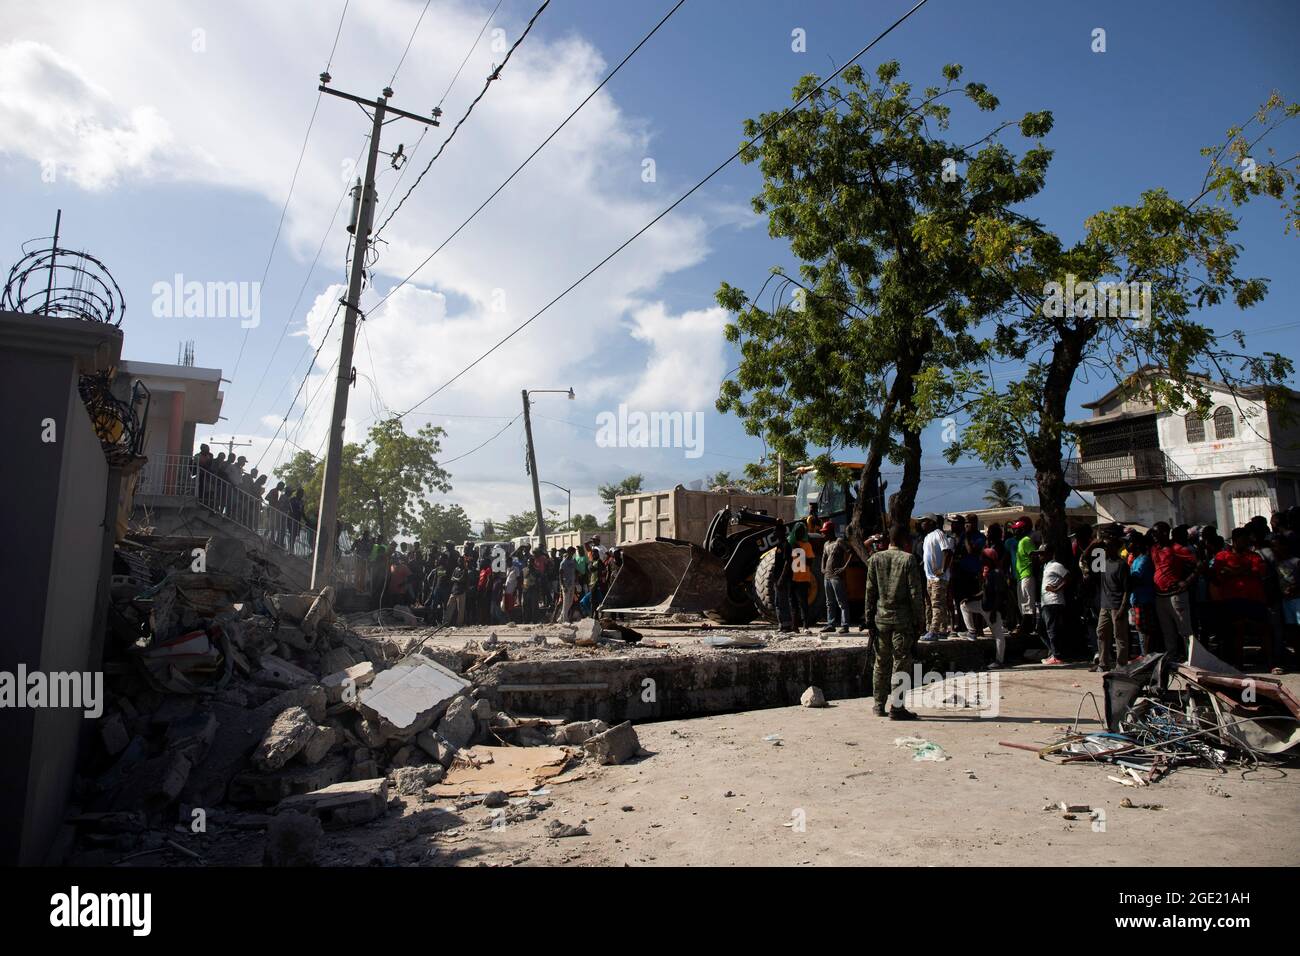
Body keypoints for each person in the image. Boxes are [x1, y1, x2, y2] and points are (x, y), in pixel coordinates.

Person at [865, 525, 925, 720]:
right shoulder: (908, 559)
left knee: (881, 662)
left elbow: (870, 593)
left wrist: (868, 620)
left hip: (880, 620)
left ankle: (878, 704)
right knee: (900, 663)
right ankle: (897, 707)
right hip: (902, 621)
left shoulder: (875, 559)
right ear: (905, 540)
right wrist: (920, 621)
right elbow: (916, 594)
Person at [1212, 528, 1271, 671]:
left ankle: (1270, 663)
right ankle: (1239, 664)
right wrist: (1244, 570)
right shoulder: (1222, 556)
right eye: (1243, 539)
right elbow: (1220, 574)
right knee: (1237, 631)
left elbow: (1259, 572)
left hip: (1254, 597)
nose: (1246, 542)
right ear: (1235, 540)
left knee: (1263, 630)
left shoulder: (1254, 556)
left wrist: (1233, 571)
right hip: (1232, 598)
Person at [1151, 522, 1197, 663]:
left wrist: (1187, 581)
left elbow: (1199, 564)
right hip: (1160, 595)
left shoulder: (1176, 549)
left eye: (1156, 533)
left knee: (1185, 631)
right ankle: (1171, 658)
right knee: (1168, 631)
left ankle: (1192, 659)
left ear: (1165, 533)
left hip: (1175, 595)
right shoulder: (1154, 549)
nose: (1154, 536)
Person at [1094, 530, 1131, 670]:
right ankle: (1103, 663)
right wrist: (1094, 544)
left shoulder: (1121, 565)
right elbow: (1085, 561)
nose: (1105, 549)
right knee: (1101, 632)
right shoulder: (1102, 563)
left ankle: (1121, 665)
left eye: (1108, 546)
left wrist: (1122, 608)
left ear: (1115, 547)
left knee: (1119, 636)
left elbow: (1127, 590)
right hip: (1105, 605)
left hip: (1117, 606)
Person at [920, 515, 953, 641]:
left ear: (932, 522)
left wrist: (943, 569)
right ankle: (942, 630)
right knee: (934, 604)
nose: (922, 523)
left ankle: (933, 631)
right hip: (930, 577)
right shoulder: (928, 536)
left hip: (938, 578)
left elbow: (947, 551)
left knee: (936, 605)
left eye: (925, 521)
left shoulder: (938, 533)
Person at [1126, 531, 1158, 656]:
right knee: (1140, 629)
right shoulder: (1136, 559)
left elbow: (1136, 579)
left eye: (1130, 542)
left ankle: (1146, 656)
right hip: (1137, 599)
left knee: (1144, 630)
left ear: (1138, 544)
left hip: (1144, 600)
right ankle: (1144, 655)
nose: (1128, 544)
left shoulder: (1144, 560)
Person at [1039, 543, 1070, 665]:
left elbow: (1068, 577)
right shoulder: (1046, 566)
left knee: (1052, 629)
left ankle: (1057, 656)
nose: (1040, 556)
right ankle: (1054, 652)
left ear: (1049, 554)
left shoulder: (1056, 565)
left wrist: (1056, 589)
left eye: (1042, 554)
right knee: (1041, 629)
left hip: (1053, 602)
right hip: (1046, 603)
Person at [820, 520, 851, 633]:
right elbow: (824, 557)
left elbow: (851, 552)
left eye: (825, 532)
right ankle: (830, 624)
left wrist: (844, 568)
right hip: (827, 577)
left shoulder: (839, 541)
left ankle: (845, 625)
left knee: (841, 602)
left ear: (831, 531)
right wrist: (822, 569)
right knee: (829, 602)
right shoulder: (826, 544)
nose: (823, 534)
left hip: (836, 577)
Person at [559, 547, 578, 623]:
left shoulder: (573, 561)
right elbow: (560, 574)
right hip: (566, 584)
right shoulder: (563, 563)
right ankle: (565, 619)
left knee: (570, 602)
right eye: (572, 552)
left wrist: (576, 581)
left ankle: (561, 617)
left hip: (572, 584)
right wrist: (563, 585)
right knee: (566, 602)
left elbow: (575, 571)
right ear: (569, 552)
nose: (573, 554)